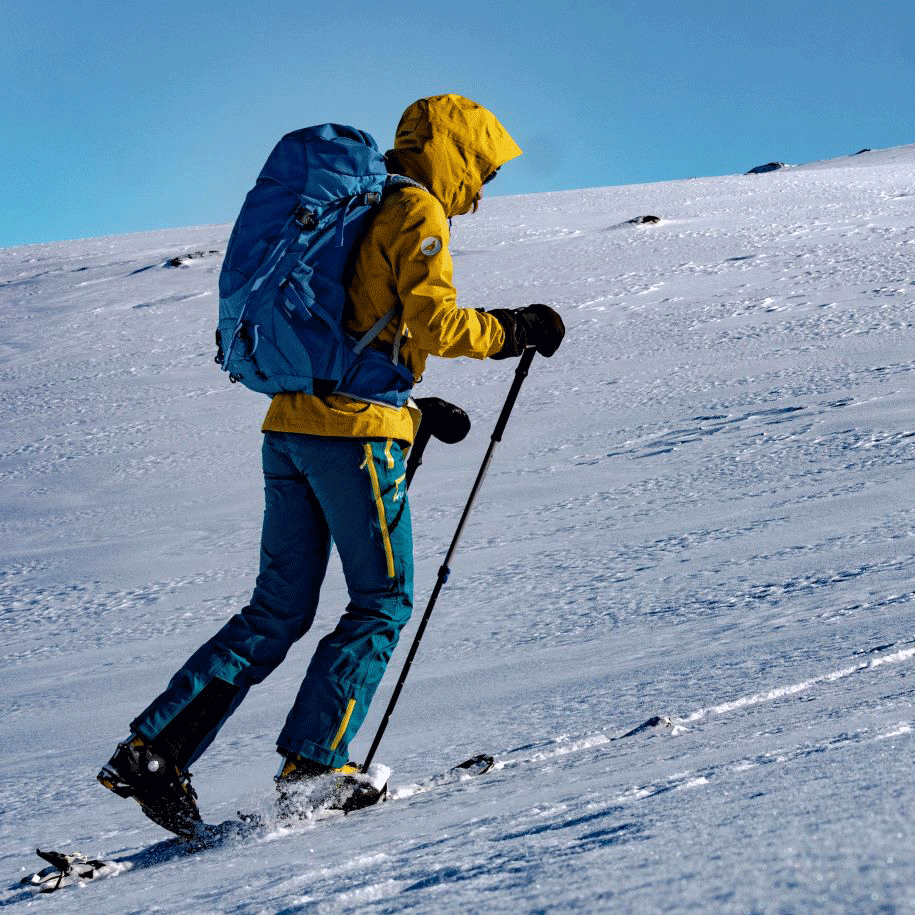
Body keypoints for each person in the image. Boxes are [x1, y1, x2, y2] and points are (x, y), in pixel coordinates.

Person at [97, 94, 565, 836]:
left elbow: (350, 332)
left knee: (275, 610)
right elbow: (436, 324)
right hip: (354, 437)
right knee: (381, 600)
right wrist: (517, 329)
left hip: (291, 426)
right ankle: (313, 766)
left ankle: (154, 749)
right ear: (452, 153)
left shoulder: (356, 206)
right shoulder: (416, 212)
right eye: (480, 171)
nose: (479, 192)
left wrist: (413, 411)